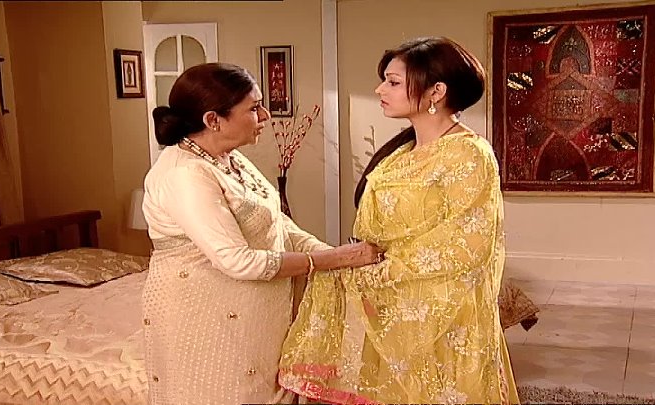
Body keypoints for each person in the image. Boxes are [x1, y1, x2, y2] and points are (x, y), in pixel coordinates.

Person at [279, 37, 520, 404]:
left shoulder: (469, 154)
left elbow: (468, 243)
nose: (380, 89)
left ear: (436, 91)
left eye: (392, 82)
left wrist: (377, 272)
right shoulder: (400, 154)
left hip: (441, 310)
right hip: (392, 305)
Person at [140, 62, 384, 405]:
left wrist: (341, 258)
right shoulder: (184, 174)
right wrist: (331, 259)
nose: (266, 115)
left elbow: (279, 225)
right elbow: (237, 261)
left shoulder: (229, 158)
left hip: (256, 318)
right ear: (213, 120)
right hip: (206, 321)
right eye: (254, 108)